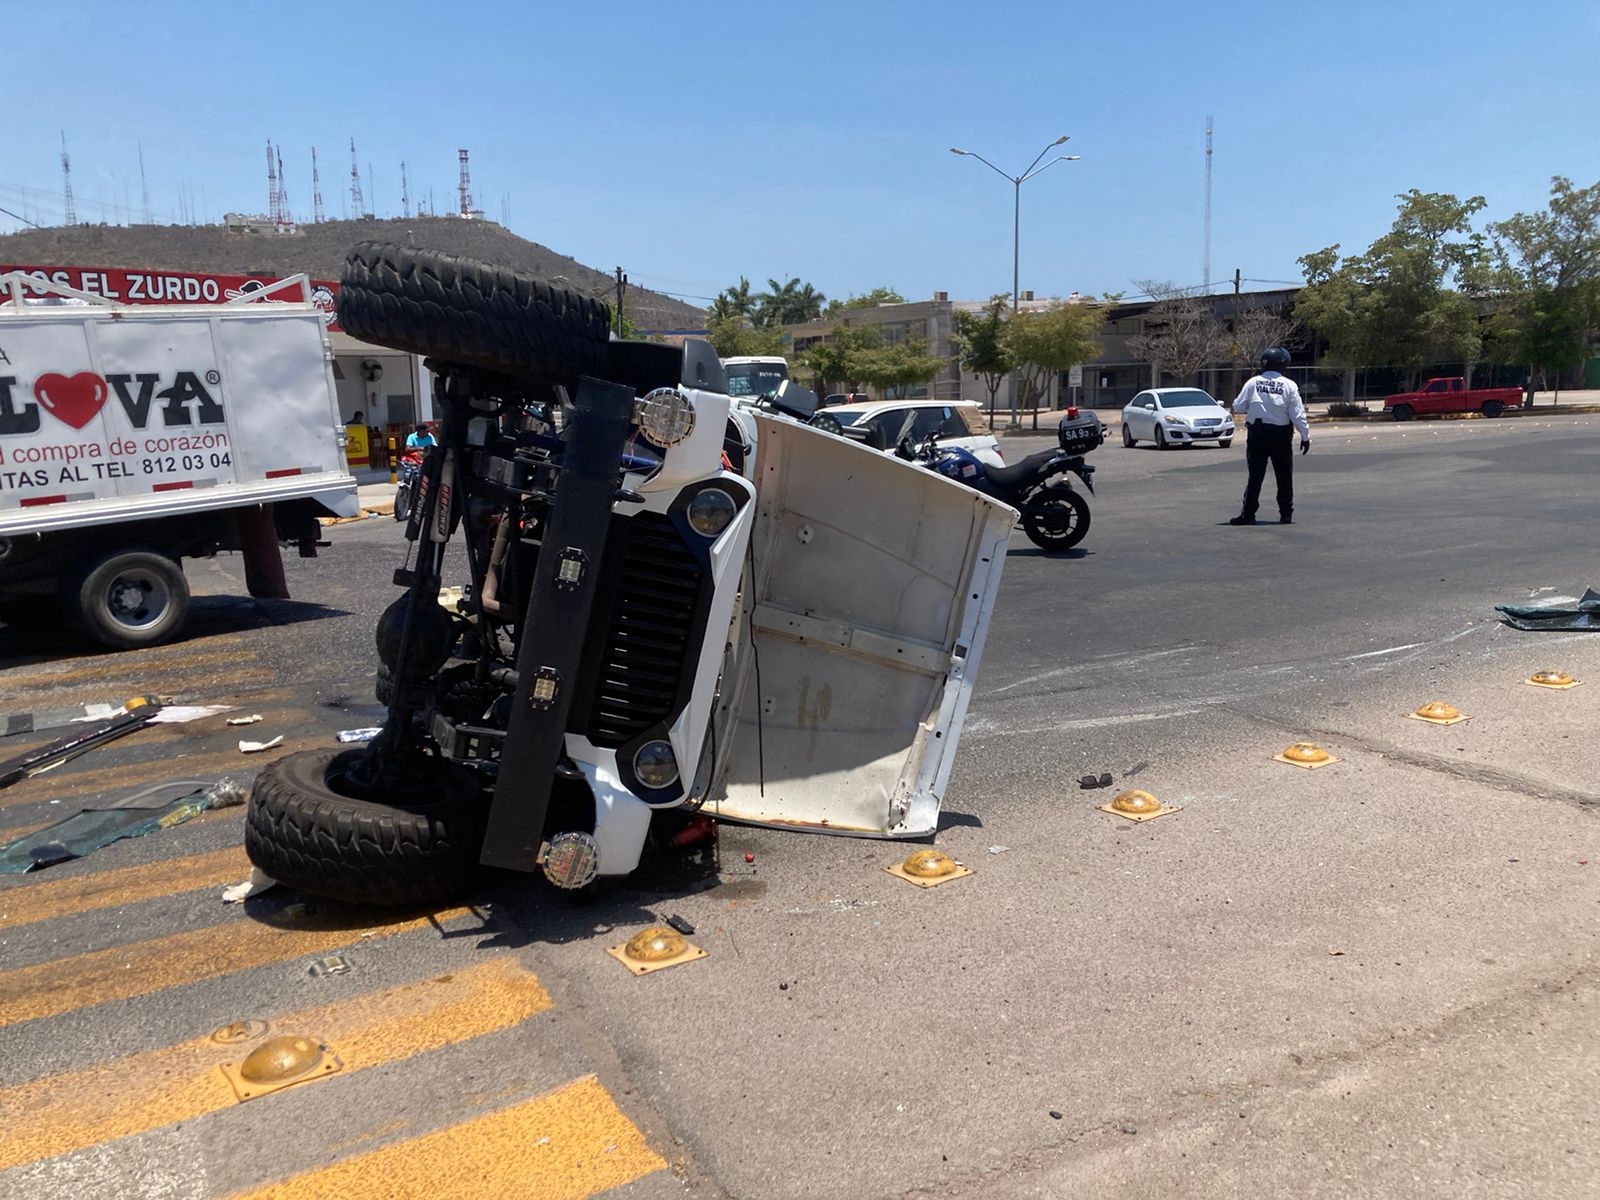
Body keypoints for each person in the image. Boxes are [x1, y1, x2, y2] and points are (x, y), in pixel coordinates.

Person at [1229, 347, 1310, 525]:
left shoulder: (1253, 383)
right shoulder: (1289, 385)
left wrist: (1256, 406)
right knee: (1284, 475)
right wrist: (1305, 436)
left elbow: (1239, 406)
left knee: (1255, 475)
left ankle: (1248, 514)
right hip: (1281, 435)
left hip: (1257, 434)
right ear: (1283, 365)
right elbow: (1297, 414)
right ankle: (1286, 513)